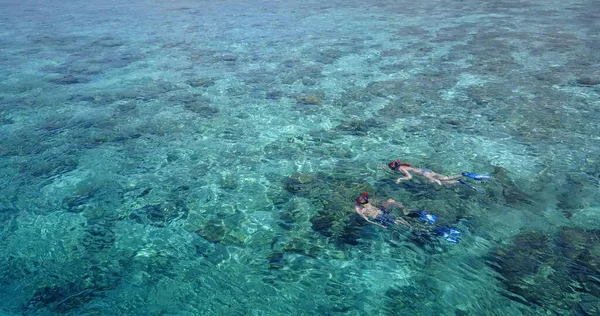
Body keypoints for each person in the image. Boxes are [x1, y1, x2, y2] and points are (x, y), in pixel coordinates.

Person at [387, 159, 462, 185]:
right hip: (426, 170)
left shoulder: (401, 169)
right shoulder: (403, 165)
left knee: (441, 183)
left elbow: (410, 177)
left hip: (425, 174)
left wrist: (400, 179)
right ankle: (462, 175)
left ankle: (457, 182)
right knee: (445, 177)